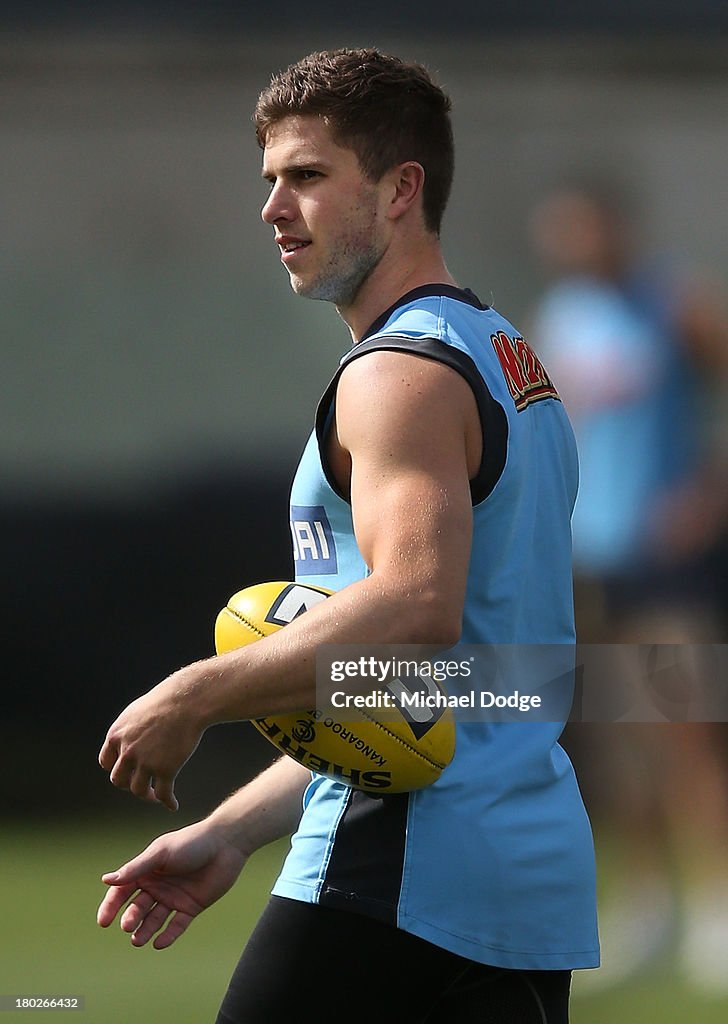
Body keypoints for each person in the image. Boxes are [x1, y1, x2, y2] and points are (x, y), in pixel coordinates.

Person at [97, 49, 599, 1023]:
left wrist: (193, 693)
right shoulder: (507, 361)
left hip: (398, 865)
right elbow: (439, 691)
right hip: (522, 877)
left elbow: (412, 609)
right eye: (269, 180)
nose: (273, 207)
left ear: (400, 188)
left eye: (308, 176)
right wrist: (234, 830)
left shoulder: (396, 374)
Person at [528, 181, 728, 992]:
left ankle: (716, 905)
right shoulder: (559, 317)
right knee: (614, 745)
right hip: (586, 557)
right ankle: (647, 907)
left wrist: (708, 497)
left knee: (685, 727)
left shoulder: (676, 302)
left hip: (662, 557)